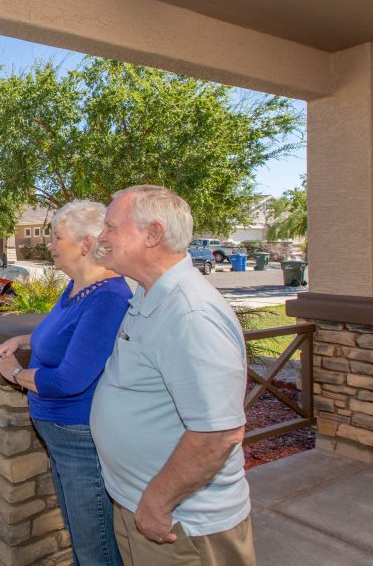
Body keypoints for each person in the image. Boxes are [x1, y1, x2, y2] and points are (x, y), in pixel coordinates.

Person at [91, 185, 254, 565]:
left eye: (111, 227)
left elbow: (218, 433)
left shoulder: (190, 313)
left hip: (181, 524)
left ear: (152, 234)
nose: (101, 237)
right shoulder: (150, 295)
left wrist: (157, 502)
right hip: (146, 508)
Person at [0, 200, 130, 566]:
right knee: (81, 535)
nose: (49, 243)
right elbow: (59, 334)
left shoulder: (108, 298)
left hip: (80, 437)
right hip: (60, 435)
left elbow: (69, 379)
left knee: (95, 546)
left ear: (86, 244)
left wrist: (16, 375)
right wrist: (21, 341)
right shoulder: (75, 287)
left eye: (56, 236)